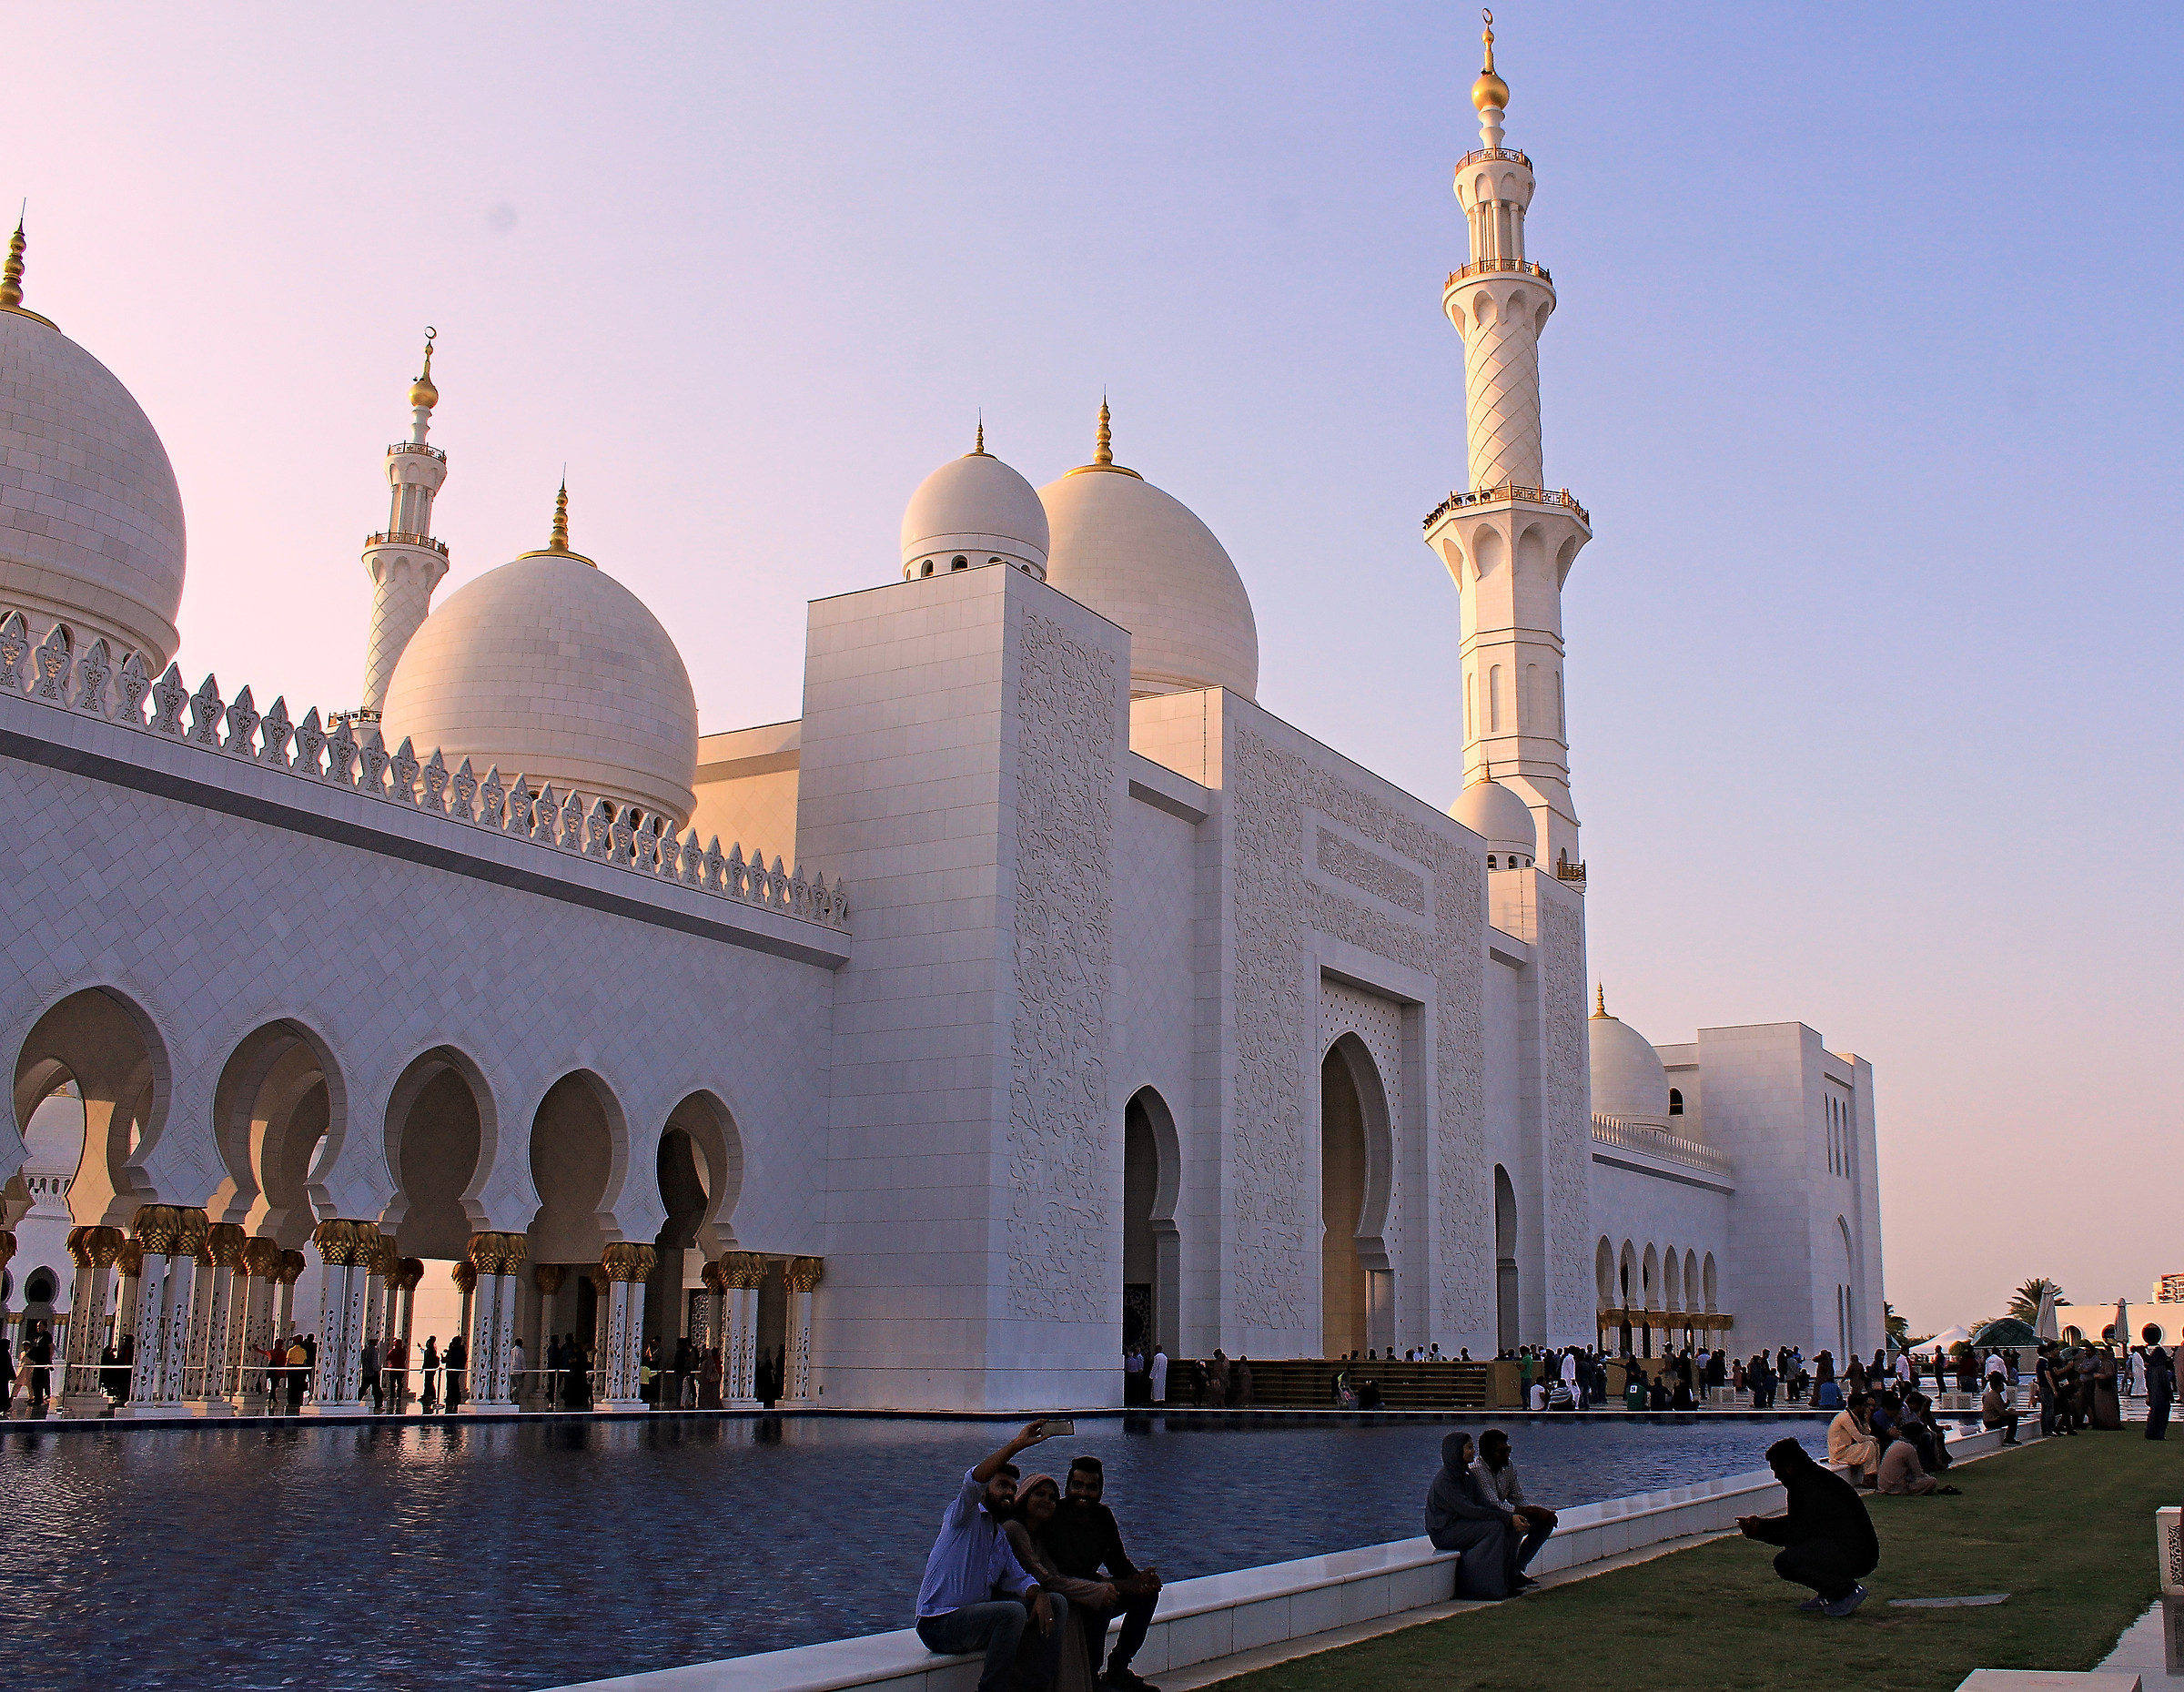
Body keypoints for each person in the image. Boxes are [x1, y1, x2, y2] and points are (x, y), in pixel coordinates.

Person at [914, 1420, 1055, 1692]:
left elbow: (1020, 1579)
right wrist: (1016, 1445)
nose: (1009, 1494)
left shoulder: (998, 1537)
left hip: (971, 1621)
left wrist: (1041, 1595)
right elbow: (972, 1480)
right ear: (986, 1490)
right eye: (1002, 1485)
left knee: (1055, 1604)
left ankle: (1036, 1686)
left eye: (1013, 1490)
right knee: (1012, 1613)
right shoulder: (963, 1518)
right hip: (938, 1624)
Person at [1044, 1455, 1162, 1691]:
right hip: (1064, 1596)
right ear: (1067, 1487)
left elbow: (1118, 1562)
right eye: (1078, 1486)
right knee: (1103, 1598)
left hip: (1093, 1589)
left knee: (1146, 1596)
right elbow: (1071, 1572)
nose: (1084, 1493)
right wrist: (1126, 1585)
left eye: (1091, 1487)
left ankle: (1118, 1669)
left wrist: (1141, 1581)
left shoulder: (1103, 1516)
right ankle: (1090, 1676)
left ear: (1100, 1490)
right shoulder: (1056, 1515)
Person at [1737, 1437, 1878, 1616]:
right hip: (1849, 1547)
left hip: (1857, 1553)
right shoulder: (1811, 1479)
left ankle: (1847, 1591)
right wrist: (1762, 1524)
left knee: (1786, 1562)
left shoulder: (1810, 1487)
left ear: (1789, 1467)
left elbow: (1797, 1533)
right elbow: (1797, 1522)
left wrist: (1759, 1532)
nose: (1776, 1476)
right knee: (1797, 1553)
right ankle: (1830, 1593)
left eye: (1777, 1470)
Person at [1001, 1474, 1107, 1692]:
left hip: (1030, 1600)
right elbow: (1044, 1578)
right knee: (1060, 1605)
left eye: (1052, 1497)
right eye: (1039, 1494)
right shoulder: (1013, 1529)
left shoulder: (1038, 1538)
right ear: (1025, 1497)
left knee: (1072, 1607)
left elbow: (1054, 1575)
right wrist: (1096, 1591)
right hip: (1011, 1603)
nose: (1047, 1500)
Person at [1424, 1432, 1524, 1599]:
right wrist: (1506, 1518)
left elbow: (1485, 1504)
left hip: (1462, 1526)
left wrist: (1510, 1518)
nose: (1473, 1452)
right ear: (1456, 1451)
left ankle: (1506, 1583)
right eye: (1469, 1448)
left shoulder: (1466, 1476)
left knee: (1507, 1527)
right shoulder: (1445, 1480)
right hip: (1443, 1532)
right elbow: (1469, 1510)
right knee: (1495, 1528)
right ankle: (1482, 1587)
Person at [1474, 1430, 1557, 1579]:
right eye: (1502, 1451)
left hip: (1502, 1515)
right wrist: (1534, 1512)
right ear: (1487, 1453)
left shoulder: (1508, 1466)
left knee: (1544, 1524)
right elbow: (1494, 1505)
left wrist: (1540, 1513)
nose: (1507, 1454)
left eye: (1508, 1450)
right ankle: (1505, 1574)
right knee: (1516, 1524)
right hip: (1485, 1520)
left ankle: (1516, 1569)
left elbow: (1517, 1498)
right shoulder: (1476, 1470)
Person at [1827, 1392, 1880, 1485]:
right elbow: (1859, 1438)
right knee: (1869, 1445)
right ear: (1858, 1406)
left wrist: (1866, 1420)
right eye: (1864, 1406)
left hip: (1848, 1450)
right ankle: (1868, 1476)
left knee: (1874, 1444)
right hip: (1839, 1453)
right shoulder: (1845, 1418)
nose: (1866, 1409)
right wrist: (1873, 1438)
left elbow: (1866, 1433)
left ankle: (1874, 1474)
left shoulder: (1854, 1416)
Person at [2144, 1339, 2174, 1442]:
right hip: (2162, 1396)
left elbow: (2148, 1382)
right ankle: (2159, 1434)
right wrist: (2171, 1396)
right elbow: (2165, 1384)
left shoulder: (2151, 1368)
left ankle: (2151, 1433)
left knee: (2153, 1414)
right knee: (2162, 1416)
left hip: (2154, 1394)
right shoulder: (2161, 1368)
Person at [1981, 1373, 2021, 1444]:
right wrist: (2016, 1413)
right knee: (2013, 1418)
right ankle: (2009, 1439)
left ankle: (2009, 1438)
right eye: (2002, 1385)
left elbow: (1999, 1408)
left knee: (2012, 1416)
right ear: (1998, 1386)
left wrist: (2007, 1406)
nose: (2003, 1386)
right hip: (1991, 1422)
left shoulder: (1994, 1394)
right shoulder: (1994, 1396)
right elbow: (2002, 1412)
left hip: (1990, 1420)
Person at [2090, 1348, 2123, 1431]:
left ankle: (2110, 1423)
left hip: (2106, 1388)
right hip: (2102, 1388)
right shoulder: (2102, 1363)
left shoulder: (2107, 1363)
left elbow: (2110, 1374)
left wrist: (2099, 1376)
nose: (2099, 1356)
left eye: (2100, 1354)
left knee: (2108, 1406)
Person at [284, 1334, 309, 1413]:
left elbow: (288, 1361)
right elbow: (305, 1361)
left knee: (291, 1385)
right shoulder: (303, 1350)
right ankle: (298, 1399)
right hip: (301, 1369)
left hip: (292, 1368)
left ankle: (291, 1400)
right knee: (299, 1385)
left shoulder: (291, 1350)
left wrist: (285, 1370)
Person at [445, 1331, 468, 1411]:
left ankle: (454, 1398)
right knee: (451, 1383)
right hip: (451, 1368)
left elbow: (460, 1359)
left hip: (454, 1368)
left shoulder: (458, 1350)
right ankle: (451, 1397)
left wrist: (461, 1367)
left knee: (453, 1383)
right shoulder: (454, 1349)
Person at [420, 1336, 440, 1412]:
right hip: (429, 1368)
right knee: (428, 1382)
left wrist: (424, 1368)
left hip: (430, 1368)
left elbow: (427, 1360)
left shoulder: (430, 1351)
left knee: (429, 1382)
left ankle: (430, 1395)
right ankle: (427, 1394)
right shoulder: (430, 1351)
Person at [509, 1334, 528, 1405]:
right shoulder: (520, 1351)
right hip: (518, 1370)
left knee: (514, 1385)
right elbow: (522, 1360)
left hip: (512, 1370)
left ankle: (515, 1399)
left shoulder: (512, 1350)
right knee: (520, 1385)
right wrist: (524, 1370)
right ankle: (512, 1394)